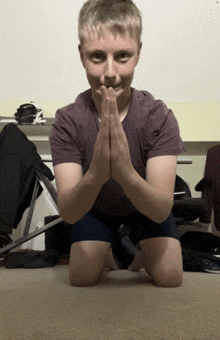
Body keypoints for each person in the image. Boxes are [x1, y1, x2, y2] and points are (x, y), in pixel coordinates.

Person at [49, 0, 186, 288]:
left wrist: (124, 173)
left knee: (170, 278)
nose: (110, 73)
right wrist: (98, 173)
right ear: (81, 55)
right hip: (94, 209)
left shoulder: (158, 116)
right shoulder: (67, 121)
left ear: (138, 53)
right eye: (97, 56)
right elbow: (70, 212)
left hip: (145, 208)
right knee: (81, 278)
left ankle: (140, 252)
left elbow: (161, 209)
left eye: (123, 56)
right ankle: (108, 251)